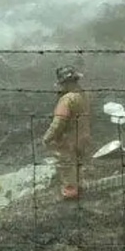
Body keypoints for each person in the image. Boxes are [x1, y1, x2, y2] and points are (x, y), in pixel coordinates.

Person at [41, 65, 92, 200]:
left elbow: (59, 122)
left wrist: (47, 137)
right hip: (83, 136)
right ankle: (79, 187)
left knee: (66, 167)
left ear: (66, 83)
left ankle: (70, 196)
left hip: (68, 140)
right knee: (78, 165)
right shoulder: (83, 94)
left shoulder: (67, 99)